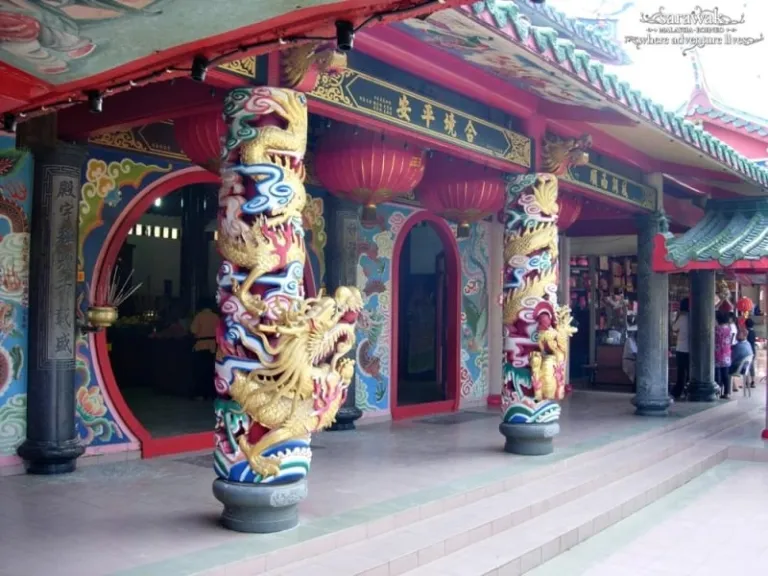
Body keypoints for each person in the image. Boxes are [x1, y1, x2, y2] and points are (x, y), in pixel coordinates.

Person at [190, 297, 218, 400]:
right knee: (211, 371)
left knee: (200, 371)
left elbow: (193, 330)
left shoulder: (199, 316)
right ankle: (211, 393)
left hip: (201, 346)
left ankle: (200, 394)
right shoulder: (216, 317)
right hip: (213, 346)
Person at [671, 298, 689, 400]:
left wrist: (677, 315)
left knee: (681, 372)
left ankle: (678, 391)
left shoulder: (682, 318)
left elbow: (674, 328)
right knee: (689, 371)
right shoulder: (693, 317)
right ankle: (688, 390)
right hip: (691, 349)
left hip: (681, 349)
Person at [715, 311, 732, 398]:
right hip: (726, 354)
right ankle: (726, 393)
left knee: (717, 374)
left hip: (717, 353)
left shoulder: (717, 329)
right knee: (725, 374)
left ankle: (717, 392)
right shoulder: (729, 328)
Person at [746, 318, 757, 388]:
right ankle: (753, 381)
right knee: (752, 367)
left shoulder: (747, 332)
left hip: (748, 351)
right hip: (753, 350)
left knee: (747, 366)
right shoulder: (753, 332)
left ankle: (747, 381)